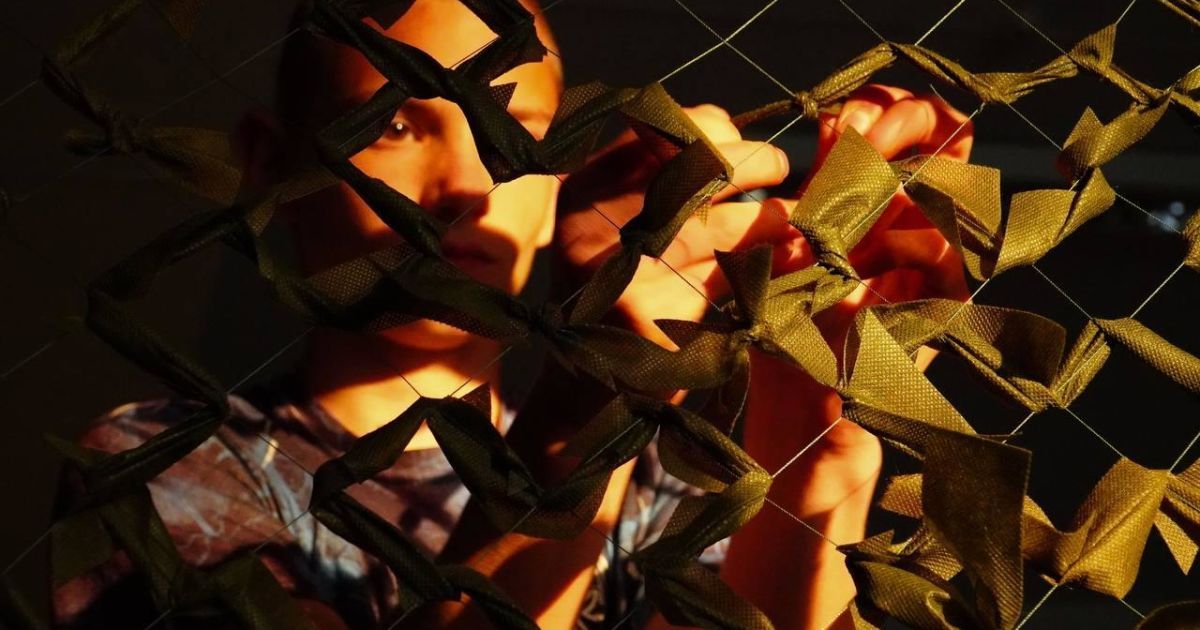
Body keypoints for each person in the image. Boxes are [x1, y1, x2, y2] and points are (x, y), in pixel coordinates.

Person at [50, 0, 973, 628]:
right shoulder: (168, 467)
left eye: (513, 138)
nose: (467, 186)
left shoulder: (664, 499)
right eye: (394, 126)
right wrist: (591, 396)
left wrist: (812, 435)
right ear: (270, 162)